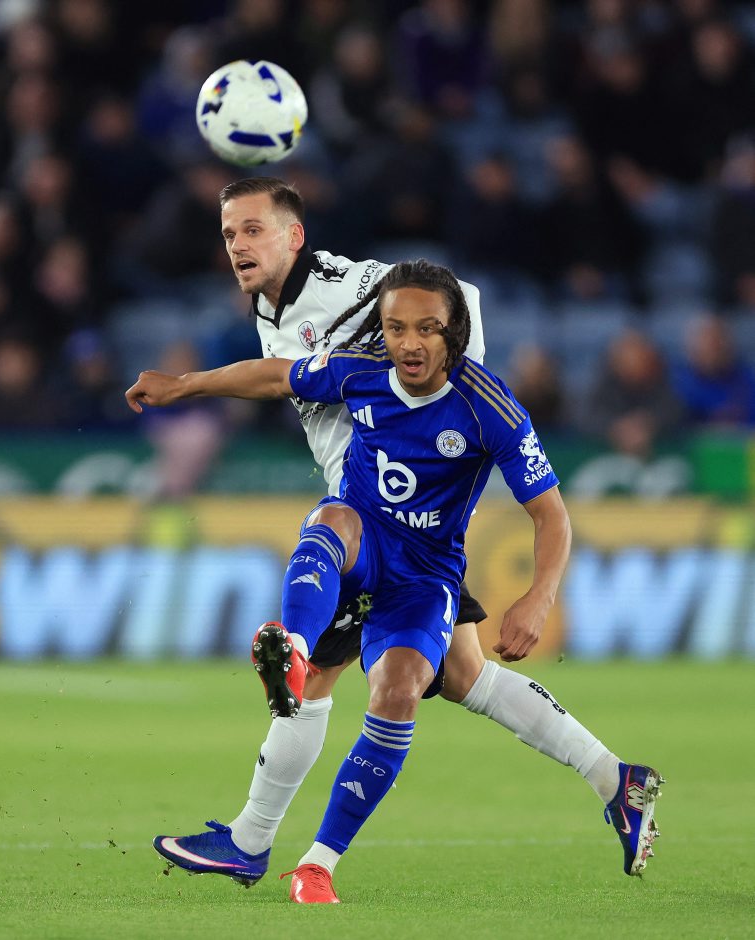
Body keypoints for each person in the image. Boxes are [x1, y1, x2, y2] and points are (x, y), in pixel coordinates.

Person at [126, 178, 662, 894]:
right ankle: (612, 778)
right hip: (364, 530)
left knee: (407, 684)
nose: (237, 246)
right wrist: (184, 385)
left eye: (252, 230)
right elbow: (280, 376)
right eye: (228, 234)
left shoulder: (484, 403)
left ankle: (276, 848)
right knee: (367, 581)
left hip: (426, 563)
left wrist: (538, 598)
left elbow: (551, 511)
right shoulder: (348, 365)